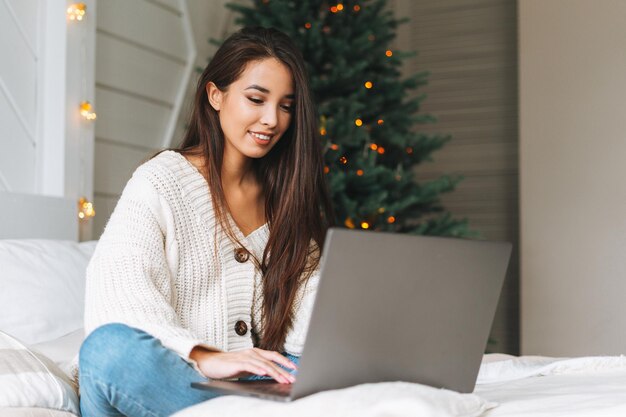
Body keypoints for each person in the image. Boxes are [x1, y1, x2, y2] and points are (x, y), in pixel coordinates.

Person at [78, 26, 334, 417]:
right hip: (177, 379)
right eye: (256, 99)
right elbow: (117, 296)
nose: (272, 120)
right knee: (107, 350)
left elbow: (308, 324)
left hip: (252, 389)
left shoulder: (287, 199)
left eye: (286, 105)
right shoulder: (162, 180)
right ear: (215, 95)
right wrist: (204, 355)